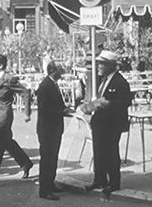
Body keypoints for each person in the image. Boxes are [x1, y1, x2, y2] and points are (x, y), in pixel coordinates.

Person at [0, 54, 33, 188]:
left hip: (4, 116)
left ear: (1, 66)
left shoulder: (9, 79)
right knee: (7, 142)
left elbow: (26, 92)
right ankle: (25, 162)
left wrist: (26, 113)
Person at [83, 50, 132, 199]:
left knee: (111, 152)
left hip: (112, 124)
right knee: (98, 152)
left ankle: (114, 183)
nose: (99, 66)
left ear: (111, 65)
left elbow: (125, 102)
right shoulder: (103, 80)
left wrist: (108, 103)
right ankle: (99, 180)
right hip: (100, 123)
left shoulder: (120, 82)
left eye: (102, 64)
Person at [35, 62, 72, 201]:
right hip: (47, 128)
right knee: (47, 158)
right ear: (52, 71)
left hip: (54, 127)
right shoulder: (45, 86)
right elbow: (44, 109)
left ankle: (50, 183)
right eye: (59, 70)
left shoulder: (53, 84)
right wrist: (60, 112)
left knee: (53, 156)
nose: (61, 72)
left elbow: (56, 103)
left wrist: (64, 108)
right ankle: (44, 189)